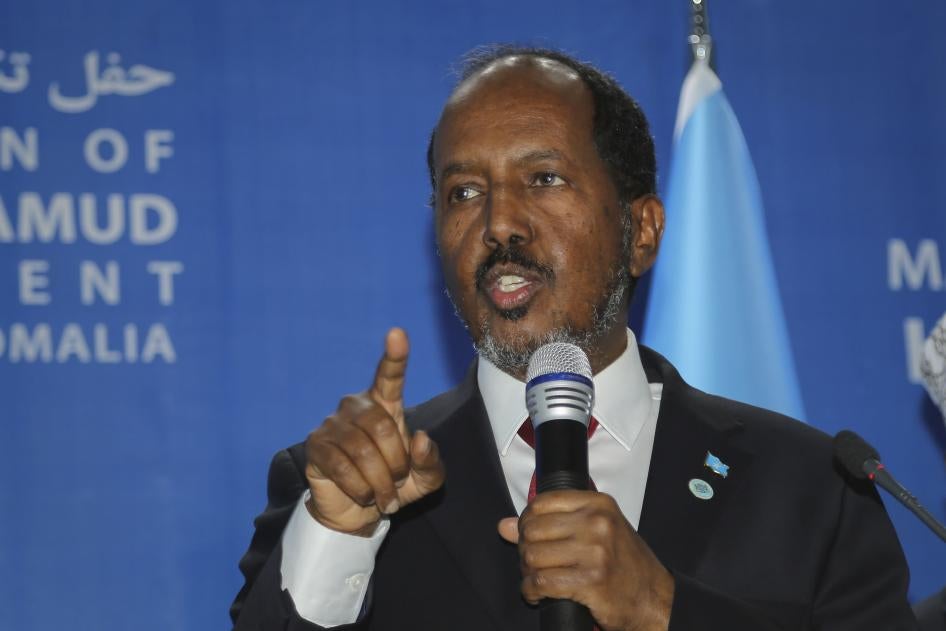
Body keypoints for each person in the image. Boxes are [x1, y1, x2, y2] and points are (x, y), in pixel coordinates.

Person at [231, 45, 917, 630]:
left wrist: (661, 607)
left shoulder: (811, 489)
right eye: (464, 192)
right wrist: (338, 535)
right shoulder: (343, 491)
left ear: (640, 232)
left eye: (544, 178)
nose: (500, 224)